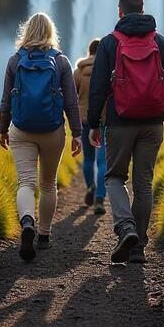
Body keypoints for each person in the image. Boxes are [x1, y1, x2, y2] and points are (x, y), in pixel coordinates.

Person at [87, 0, 164, 264]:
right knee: (144, 182)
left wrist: (93, 123)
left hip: (119, 122)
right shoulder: (161, 42)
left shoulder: (109, 43)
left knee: (114, 177)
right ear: (142, 11)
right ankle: (138, 245)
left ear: (120, 12)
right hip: (153, 122)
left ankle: (126, 228)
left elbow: (97, 88)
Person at [0, 12, 83, 262]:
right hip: (52, 130)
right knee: (48, 183)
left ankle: (27, 221)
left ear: (26, 32)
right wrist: (77, 133)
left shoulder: (15, 61)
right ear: (50, 32)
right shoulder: (61, 61)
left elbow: (6, 100)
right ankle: (44, 235)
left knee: (25, 182)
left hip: (21, 129)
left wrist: (2, 129)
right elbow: (71, 102)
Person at [73, 38, 107, 215]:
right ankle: (100, 198)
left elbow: (72, 97)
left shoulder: (78, 71)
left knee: (88, 158)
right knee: (103, 161)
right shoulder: (108, 68)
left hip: (84, 119)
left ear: (89, 51)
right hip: (103, 119)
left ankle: (90, 188)